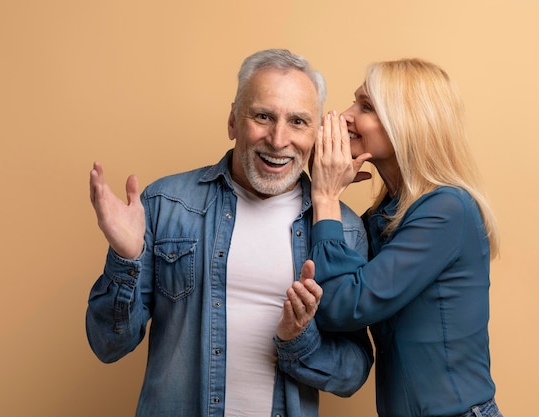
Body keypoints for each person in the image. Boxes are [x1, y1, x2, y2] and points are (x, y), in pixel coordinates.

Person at [85, 48, 373, 417]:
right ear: (234, 121)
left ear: (316, 134)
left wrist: (298, 339)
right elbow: (107, 345)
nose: (278, 138)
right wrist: (125, 258)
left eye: (298, 122)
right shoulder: (165, 204)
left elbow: (353, 374)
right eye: (263, 116)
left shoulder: (343, 229)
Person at [306, 58, 503, 417]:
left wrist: (327, 197)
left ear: (406, 123)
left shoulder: (447, 209)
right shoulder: (386, 215)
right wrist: (318, 183)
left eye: (365, 106)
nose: (345, 115)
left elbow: (341, 305)